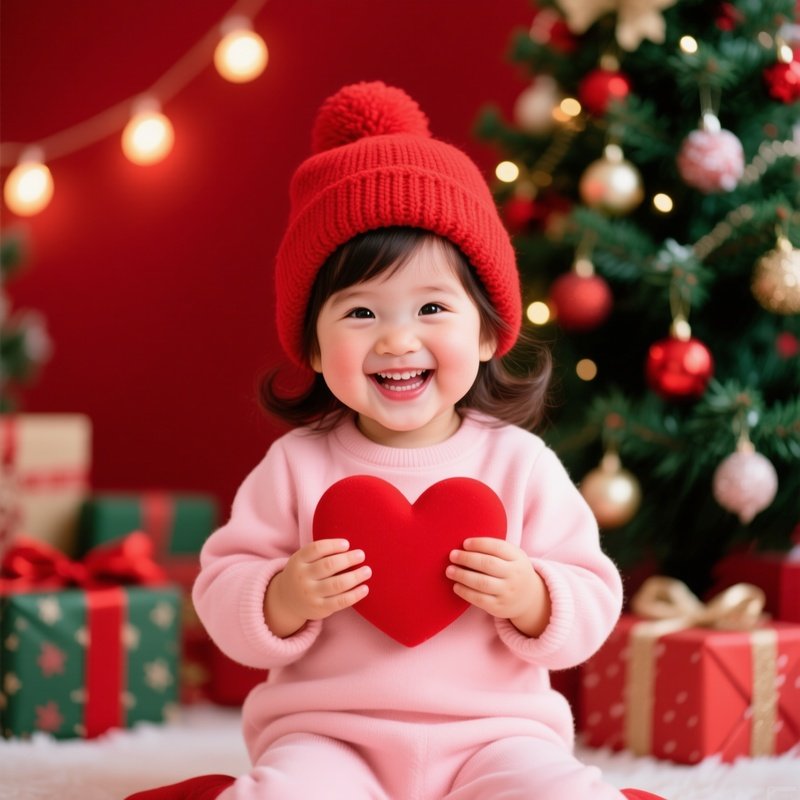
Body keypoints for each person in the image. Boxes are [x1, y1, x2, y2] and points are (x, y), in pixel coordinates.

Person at [126, 82, 665, 800]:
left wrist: (533, 596)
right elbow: (224, 593)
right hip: (330, 737)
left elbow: (592, 602)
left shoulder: (518, 462)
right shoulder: (297, 466)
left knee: (558, 793)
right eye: (360, 312)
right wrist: (282, 597)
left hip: (496, 738)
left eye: (433, 306)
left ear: (484, 331)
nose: (397, 338)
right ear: (312, 347)